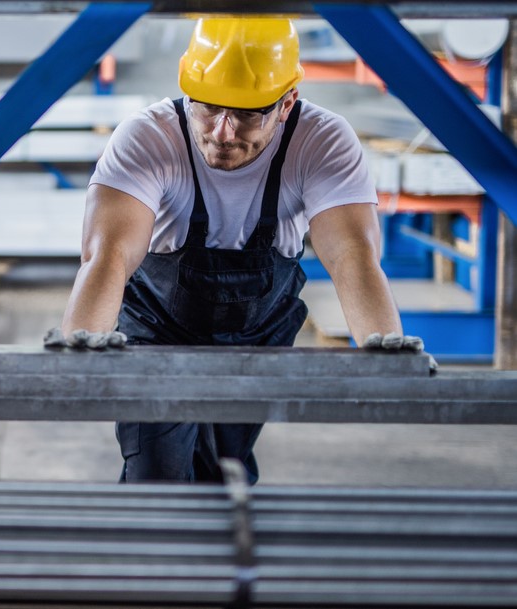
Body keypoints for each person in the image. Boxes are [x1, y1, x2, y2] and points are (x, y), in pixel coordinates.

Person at [46, 17, 433, 485]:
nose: (223, 132)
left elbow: (352, 252)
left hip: (257, 335)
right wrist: (82, 339)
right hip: (158, 330)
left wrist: (381, 342)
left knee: (226, 472)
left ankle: (225, 554)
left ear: (287, 102)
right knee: (158, 474)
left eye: (249, 113)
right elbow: (108, 253)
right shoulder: (148, 137)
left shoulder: (322, 141)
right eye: (208, 108)